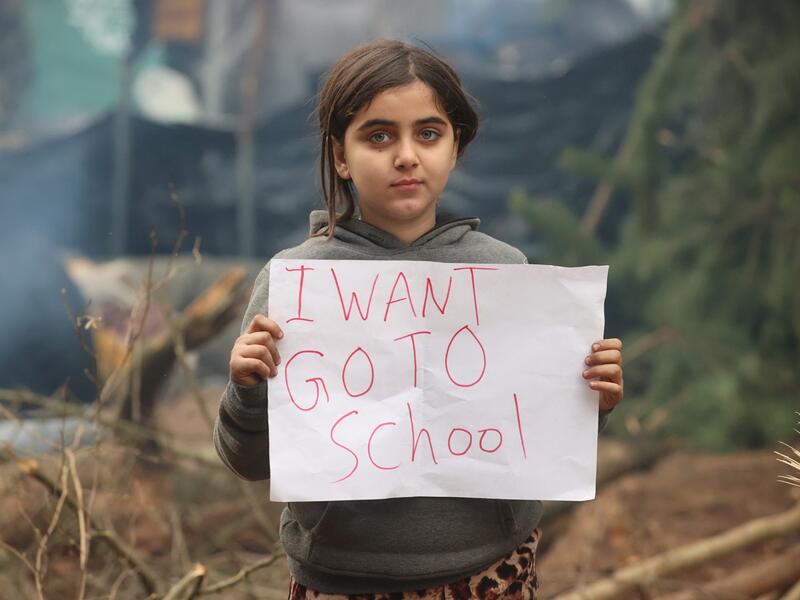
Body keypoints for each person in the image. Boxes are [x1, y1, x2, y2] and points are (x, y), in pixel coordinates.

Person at [213, 39, 624, 599]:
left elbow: (536, 445)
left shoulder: (507, 275)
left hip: (491, 574)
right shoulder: (295, 285)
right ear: (340, 155)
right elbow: (249, 462)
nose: (406, 155)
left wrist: (588, 402)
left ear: (455, 147)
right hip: (339, 581)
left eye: (428, 134)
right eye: (378, 135)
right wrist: (245, 389)